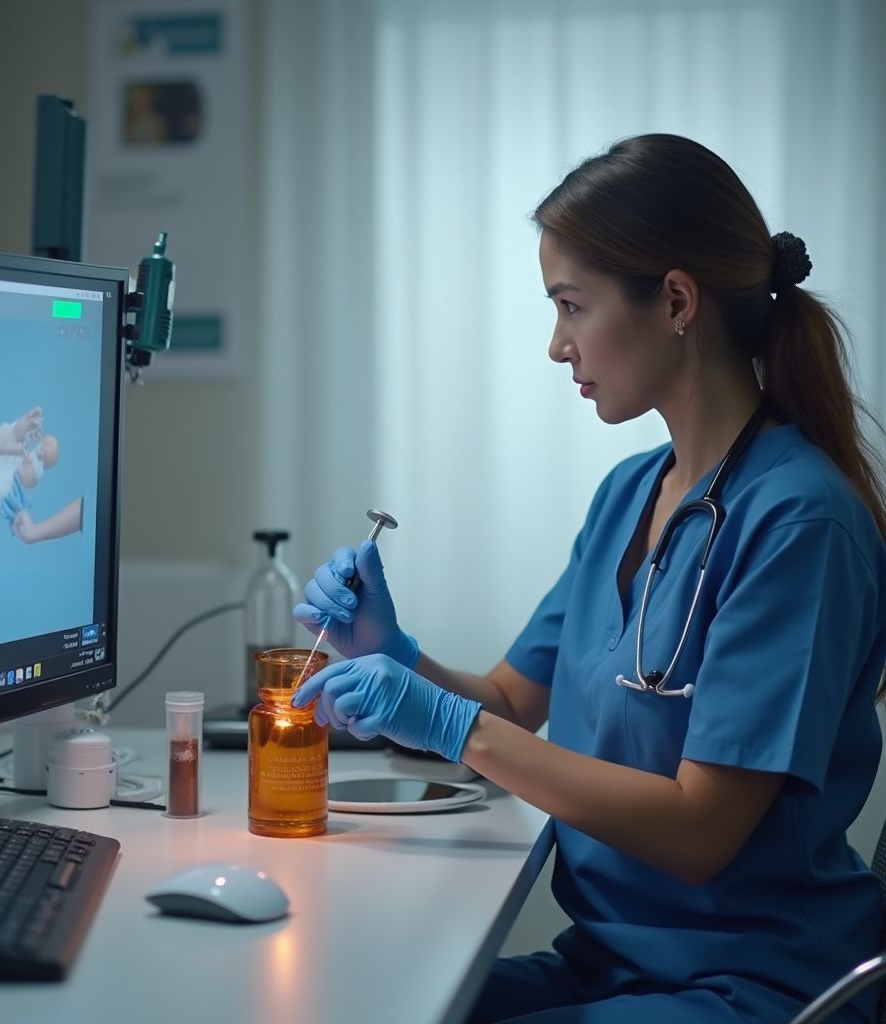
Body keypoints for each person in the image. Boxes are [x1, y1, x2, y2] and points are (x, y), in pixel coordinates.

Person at [292, 134, 886, 1024]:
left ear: (677, 301)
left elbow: (698, 831)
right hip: (609, 966)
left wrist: (451, 728)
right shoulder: (629, 495)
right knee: (347, 1000)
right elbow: (507, 699)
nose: (556, 345)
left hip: (753, 988)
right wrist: (394, 653)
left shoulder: (799, 522)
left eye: (571, 307)